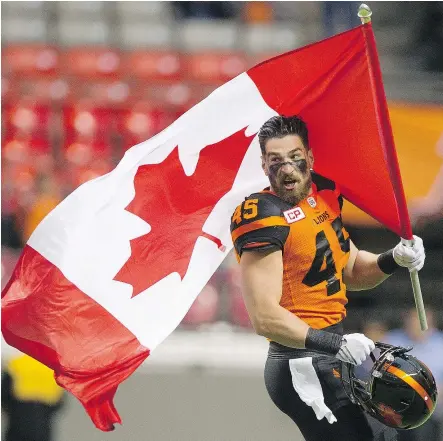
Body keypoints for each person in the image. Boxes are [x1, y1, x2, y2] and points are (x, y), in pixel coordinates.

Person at [229, 115, 426, 441]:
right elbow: (264, 317)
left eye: (295, 158)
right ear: (263, 165)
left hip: (334, 352)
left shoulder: (325, 196)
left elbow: (352, 271)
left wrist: (394, 259)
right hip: (298, 361)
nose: (287, 169)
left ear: (310, 158)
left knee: (390, 437)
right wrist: (336, 343)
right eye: (275, 161)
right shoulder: (262, 213)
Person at [384, 308, 443, 441]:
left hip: (434, 404)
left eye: (419, 321)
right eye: (412, 321)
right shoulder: (392, 340)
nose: (415, 325)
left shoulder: (441, 343)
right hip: (398, 402)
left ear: (430, 323)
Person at [1, 354, 65, 441]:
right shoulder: (54, 365)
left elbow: (4, 393)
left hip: (19, 418)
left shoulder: (17, 360)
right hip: (42, 422)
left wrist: (13, 410)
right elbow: (59, 401)